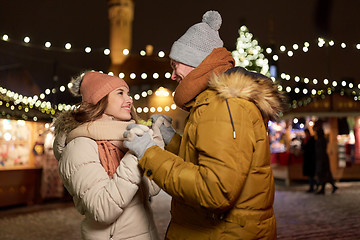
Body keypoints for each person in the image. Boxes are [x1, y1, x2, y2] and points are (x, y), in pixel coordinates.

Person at [123, 10, 287, 239]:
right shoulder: (213, 101)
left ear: (195, 63)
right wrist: (172, 141)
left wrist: (148, 152)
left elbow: (215, 190)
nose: (172, 75)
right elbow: (208, 159)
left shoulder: (224, 105)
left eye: (175, 64)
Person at [52, 71, 161, 240]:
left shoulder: (125, 137)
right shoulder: (80, 144)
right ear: (99, 100)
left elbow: (152, 189)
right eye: (120, 93)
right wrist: (134, 155)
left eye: (128, 93)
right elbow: (102, 209)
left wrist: (155, 143)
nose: (129, 99)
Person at [313, 122, 338, 195]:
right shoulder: (323, 140)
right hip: (323, 159)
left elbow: (320, 151)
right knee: (325, 175)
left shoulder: (320, 141)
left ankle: (324, 188)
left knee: (323, 175)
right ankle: (329, 187)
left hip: (322, 160)